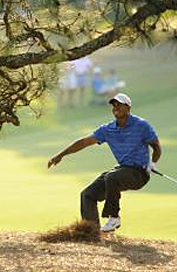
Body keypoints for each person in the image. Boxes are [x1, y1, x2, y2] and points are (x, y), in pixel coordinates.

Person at [48, 93, 162, 232]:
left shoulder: (141, 125)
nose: (116, 108)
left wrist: (152, 163)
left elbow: (156, 147)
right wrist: (61, 155)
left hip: (139, 173)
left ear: (128, 107)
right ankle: (92, 231)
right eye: (114, 105)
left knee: (111, 177)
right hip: (121, 170)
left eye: (119, 105)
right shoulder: (108, 129)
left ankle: (113, 217)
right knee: (87, 194)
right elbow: (84, 142)